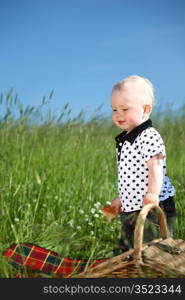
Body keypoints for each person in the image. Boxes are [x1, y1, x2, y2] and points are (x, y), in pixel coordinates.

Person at [110, 75, 176, 252]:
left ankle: (155, 275)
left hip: (153, 206)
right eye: (114, 109)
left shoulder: (148, 136)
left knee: (154, 248)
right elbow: (131, 177)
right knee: (133, 248)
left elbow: (156, 166)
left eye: (124, 109)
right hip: (132, 208)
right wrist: (122, 199)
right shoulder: (127, 139)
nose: (118, 115)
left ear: (145, 109)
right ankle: (132, 271)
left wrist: (153, 193)